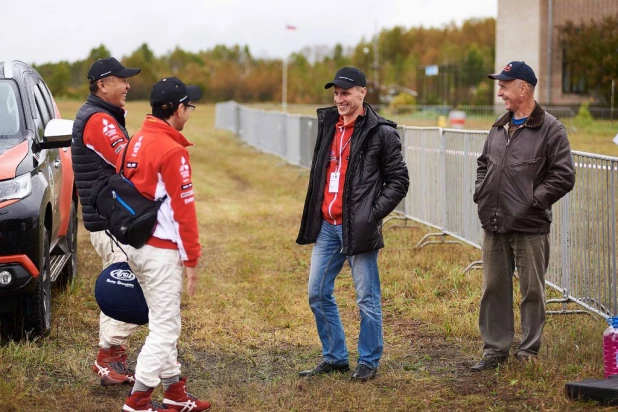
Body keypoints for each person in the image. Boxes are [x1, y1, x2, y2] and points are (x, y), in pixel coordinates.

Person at [296, 67, 409, 381]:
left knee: (366, 298)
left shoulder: (381, 132)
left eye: (345, 92)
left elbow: (399, 181)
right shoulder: (328, 126)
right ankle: (335, 358)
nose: (339, 98)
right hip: (328, 227)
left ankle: (369, 361)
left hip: (357, 227)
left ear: (362, 93)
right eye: (335, 93)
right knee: (317, 293)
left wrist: (370, 215)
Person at [471, 61, 575, 371]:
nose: (499, 90)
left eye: (505, 84)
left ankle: (528, 352)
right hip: (494, 221)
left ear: (523, 88)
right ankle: (494, 351)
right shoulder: (499, 126)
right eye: (499, 84)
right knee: (493, 289)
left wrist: (533, 201)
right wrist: (482, 192)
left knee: (532, 290)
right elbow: (483, 164)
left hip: (530, 225)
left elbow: (564, 175)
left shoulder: (551, 129)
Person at [119, 77, 210, 412]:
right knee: (166, 329)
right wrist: (192, 262)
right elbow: (184, 211)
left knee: (163, 320)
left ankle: (175, 392)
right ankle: (139, 400)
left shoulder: (136, 141)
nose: (191, 110)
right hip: (160, 251)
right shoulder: (172, 151)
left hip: (135, 247)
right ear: (176, 109)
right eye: (189, 104)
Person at [71, 57, 141, 386]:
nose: (128, 85)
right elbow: (128, 161)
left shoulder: (101, 114)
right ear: (102, 84)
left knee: (119, 282)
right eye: (121, 80)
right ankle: (106, 356)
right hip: (109, 220)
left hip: (109, 218)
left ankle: (112, 358)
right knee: (134, 284)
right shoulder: (99, 120)